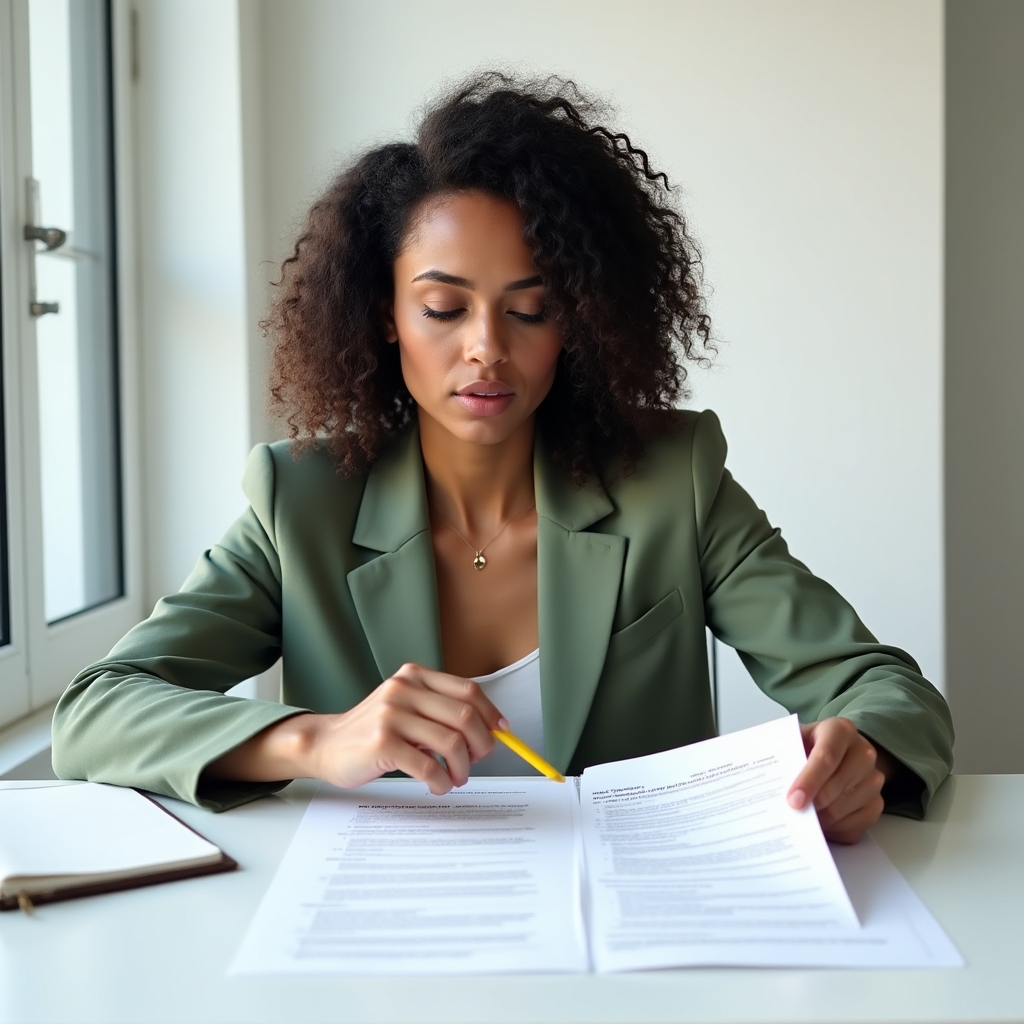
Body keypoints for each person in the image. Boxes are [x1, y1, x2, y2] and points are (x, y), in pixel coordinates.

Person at [51, 73, 953, 843]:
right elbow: (98, 710)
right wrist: (319, 741)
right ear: (383, 316)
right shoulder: (301, 502)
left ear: (581, 323)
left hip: (643, 947)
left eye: (531, 310)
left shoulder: (671, 480)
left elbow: (879, 686)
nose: (487, 349)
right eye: (444, 309)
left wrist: (861, 751)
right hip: (389, 942)